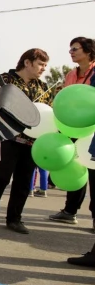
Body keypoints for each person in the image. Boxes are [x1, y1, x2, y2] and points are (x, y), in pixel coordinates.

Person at [0, 49, 53, 234]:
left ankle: (14, 218)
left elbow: (48, 111)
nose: (43, 68)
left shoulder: (43, 88)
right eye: (40, 64)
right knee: (0, 177)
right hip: (8, 138)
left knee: (23, 181)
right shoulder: (5, 80)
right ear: (27, 63)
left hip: (32, 143)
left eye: (45, 65)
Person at [49, 37, 95, 230]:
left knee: (91, 170)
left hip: (91, 128)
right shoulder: (70, 75)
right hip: (70, 126)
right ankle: (70, 211)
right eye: (70, 49)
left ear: (88, 51)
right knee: (74, 167)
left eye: (75, 48)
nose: (71, 52)